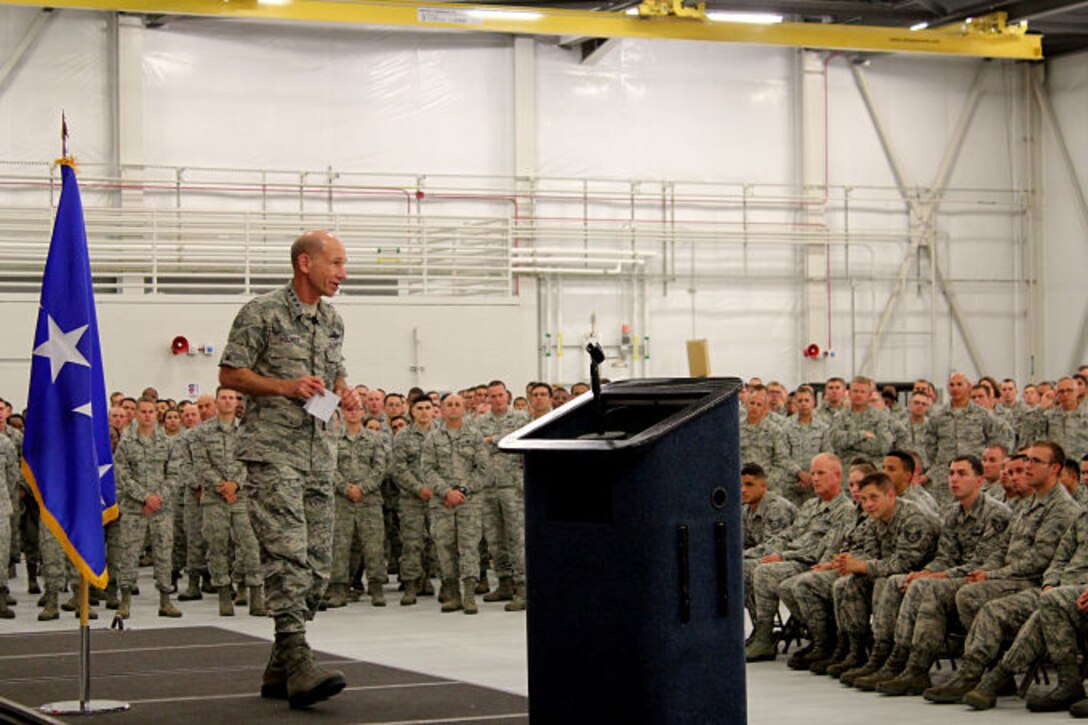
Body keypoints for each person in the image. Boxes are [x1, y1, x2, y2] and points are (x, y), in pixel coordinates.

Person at [219, 229, 361, 709]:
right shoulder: (261, 313)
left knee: (319, 566)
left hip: (320, 454)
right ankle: (298, 660)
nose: (343, 273)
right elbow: (231, 374)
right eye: (336, 263)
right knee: (288, 557)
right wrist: (285, 387)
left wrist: (346, 389)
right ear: (306, 263)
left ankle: (278, 668)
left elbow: (334, 371)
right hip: (273, 452)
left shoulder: (333, 320)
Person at [188, 386, 264, 617]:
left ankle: (255, 595)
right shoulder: (202, 432)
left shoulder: (247, 430)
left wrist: (236, 485)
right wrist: (221, 485)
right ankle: (223, 593)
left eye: (233, 398)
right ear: (217, 401)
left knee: (250, 545)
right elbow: (200, 464)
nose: (229, 402)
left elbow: (251, 461)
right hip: (214, 498)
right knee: (217, 545)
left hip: (242, 498)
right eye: (224, 398)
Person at [113, 397, 181, 619]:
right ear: (136, 414)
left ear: (156, 414)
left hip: (161, 509)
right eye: (142, 411)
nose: (147, 415)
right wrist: (144, 498)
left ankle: (165, 600)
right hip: (135, 509)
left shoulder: (167, 442)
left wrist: (157, 498)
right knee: (129, 554)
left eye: (151, 411)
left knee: (163, 554)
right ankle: (125, 601)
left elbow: (174, 474)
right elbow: (122, 475)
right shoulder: (126, 443)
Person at [422, 393, 488, 614]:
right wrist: (445, 491)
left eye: (457, 404)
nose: (453, 408)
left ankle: (469, 594)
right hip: (442, 502)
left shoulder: (475, 436)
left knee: (469, 547)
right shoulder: (432, 437)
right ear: (441, 409)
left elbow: (483, 469)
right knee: (444, 546)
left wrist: (463, 490)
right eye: (448, 404)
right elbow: (427, 469)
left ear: (464, 409)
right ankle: (452, 594)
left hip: (468, 502)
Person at [327, 405, 388, 608]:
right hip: (342, 501)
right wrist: (345, 488)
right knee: (340, 547)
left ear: (364, 413)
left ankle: (376, 587)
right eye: (348, 410)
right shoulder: (333, 437)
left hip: (368, 500)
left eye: (356, 410)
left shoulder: (374, 438)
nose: (352, 413)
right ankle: (339, 589)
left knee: (373, 546)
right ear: (343, 413)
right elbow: (329, 467)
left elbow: (380, 468)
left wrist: (362, 488)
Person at [478, 381, 530, 611]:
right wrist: (495, 441)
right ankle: (504, 582)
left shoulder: (520, 419)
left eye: (500, 395)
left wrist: (494, 440)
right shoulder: (479, 422)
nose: (497, 400)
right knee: (495, 539)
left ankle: (523, 588)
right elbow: (476, 448)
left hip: (512, 487)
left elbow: (518, 441)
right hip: (488, 488)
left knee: (516, 539)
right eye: (492, 396)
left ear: (507, 396)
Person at [393, 397, 437, 606]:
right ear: (412, 411)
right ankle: (410, 584)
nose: (424, 412)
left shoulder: (441, 434)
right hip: (412, 498)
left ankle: (425, 579)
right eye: (419, 408)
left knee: (434, 541)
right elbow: (399, 468)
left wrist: (437, 488)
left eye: (428, 408)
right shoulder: (403, 436)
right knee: (412, 542)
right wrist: (419, 488)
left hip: (437, 497)